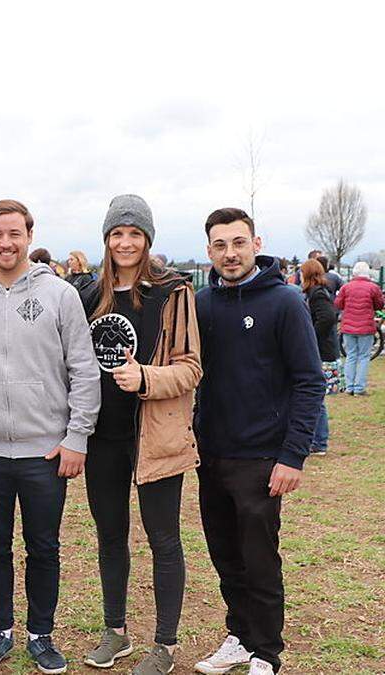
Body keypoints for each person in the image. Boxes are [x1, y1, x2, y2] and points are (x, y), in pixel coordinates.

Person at [0, 199, 100, 674]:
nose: (6, 243)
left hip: (45, 449)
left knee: (44, 546)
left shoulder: (60, 295)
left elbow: (83, 369)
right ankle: (0, 630)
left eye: (14, 233)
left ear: (29, 236)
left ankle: (41, 633)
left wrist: (77, 436)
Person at [192, 207, 324, 675]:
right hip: (212, 454)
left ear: (256, 243)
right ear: (209, 251)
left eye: (239, 242)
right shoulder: (202, 303)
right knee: (225, 555)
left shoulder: (285, 302)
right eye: (221, 245)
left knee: (259, 558)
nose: (231, 253)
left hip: (264, 458)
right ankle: (238, 635)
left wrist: (293, 456)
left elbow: (310, 381)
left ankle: (266, 652)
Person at [78, 195, 201, 675]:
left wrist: (146, 378)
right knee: (111, 535)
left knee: (163, 538)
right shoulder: (90, 294)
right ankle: (117, 632)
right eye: (117, 234)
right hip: (103, 435)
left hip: (155, 435)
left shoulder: (173, 291)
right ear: (106, 240)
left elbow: (191, 368)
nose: (125, 242)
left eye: (134, 234)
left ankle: (165, 645)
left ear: (147, 239)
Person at [299, 259, 340, 456]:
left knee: (317, 399)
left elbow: (327, 318)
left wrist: (310, 338)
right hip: (323, 350)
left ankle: (319, 442)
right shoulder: (317, 292)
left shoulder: (317, 294)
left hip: (322, 352)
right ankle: (316, 440)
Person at [335, 261, 384, 396]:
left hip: (348, 326)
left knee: (350, 356)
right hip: (366, 327)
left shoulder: (346, 287)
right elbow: (379, 305)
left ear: (355, 272)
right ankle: (359, 388)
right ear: (367, 273)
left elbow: (338, 304)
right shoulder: (373, 287)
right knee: (363, 357)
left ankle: (349, 387)